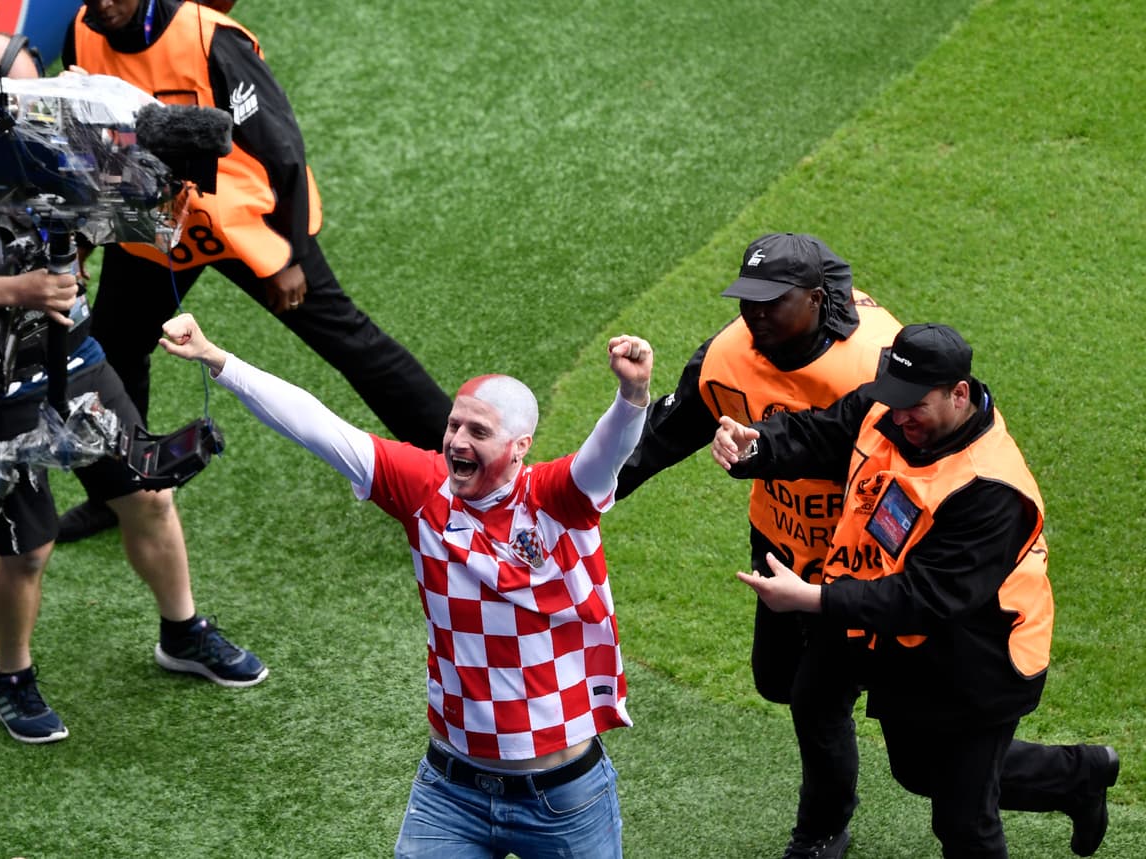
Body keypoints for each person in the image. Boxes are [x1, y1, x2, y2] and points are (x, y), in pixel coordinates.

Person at [0, 33, 267, 745]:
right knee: (28, 546)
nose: (42, 105)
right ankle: (12, 680)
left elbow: (109, 213)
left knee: (149, 493)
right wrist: (21, 288)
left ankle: (182, 632)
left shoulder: (52, 133)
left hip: (75, 353)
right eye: (22, 96)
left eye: (44, 89)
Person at [158, 311, 653, 858]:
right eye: (454, 425)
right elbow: (316, 425)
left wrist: (632, 395)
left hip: (564, 800)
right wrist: (217, 359)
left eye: (478, 432)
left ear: (519, 446)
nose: (457, 441)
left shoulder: (557, 499)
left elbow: (606, 452)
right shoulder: (423, 488)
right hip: (451, 792)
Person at [714, 322, 1119, 857]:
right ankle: (1076, 777)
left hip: (977, 653)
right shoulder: (892, 403)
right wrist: (757, 446)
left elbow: (926, 599)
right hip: (881, 614)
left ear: (959, 394)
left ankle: (1075, 777)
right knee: (909, 762)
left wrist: (813, 599)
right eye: (894, 399)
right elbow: (824, 432)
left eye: (915, 406)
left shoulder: (991, 489)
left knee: (963, 820)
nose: (898, 416)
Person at [56, 0, 452, 541]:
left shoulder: (215, 40)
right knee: (116, 349)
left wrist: (291, 253)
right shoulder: (82, 34)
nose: (102, 4)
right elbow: (86, 144)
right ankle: (119, 491)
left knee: (348, 341)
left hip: (245, 222)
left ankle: (459, 464)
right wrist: (81, 241)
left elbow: (282, 148)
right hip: (154, 225)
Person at [616, 232, 901, 857]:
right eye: (749, 299)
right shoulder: (726, 357)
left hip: (863, 563)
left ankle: (822, 833)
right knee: (776, 681)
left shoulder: (878, 362)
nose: (756, 314)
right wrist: (575, 498)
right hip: (779, 544)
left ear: (816, 299)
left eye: (774, 301)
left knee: (820, 701)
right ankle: (1075, 776)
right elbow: (661, 437)